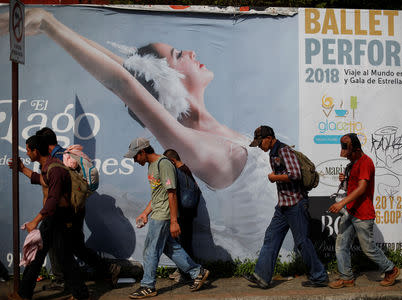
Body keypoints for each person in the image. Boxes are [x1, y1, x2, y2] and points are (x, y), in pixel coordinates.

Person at [0, 8, 280, 259]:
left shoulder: (203, 134)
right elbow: (123, 82)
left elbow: (128, 73)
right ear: (166, 80)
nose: (192, 53)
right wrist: (50, 25)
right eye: (179, 55)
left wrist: (53, 24)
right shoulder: (201, 147)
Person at [244, 125, 329, 289]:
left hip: (296, 204)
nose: (260, 146)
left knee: (303, 241)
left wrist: (275, 177)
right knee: (271, 237)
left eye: (260, 142)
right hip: (283, 205)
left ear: (269, 138)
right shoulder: (273, 153)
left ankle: (319, 276)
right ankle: (261, 276)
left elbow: (295, 174)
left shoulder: (283, 151)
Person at [36, 127, 121, 288]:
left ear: (45, 145)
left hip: (68, 210)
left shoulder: (59, 159)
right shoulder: (65, 154)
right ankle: (107, 269)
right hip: (75, 208)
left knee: (62, 244)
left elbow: (59, 189)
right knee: (74, 245)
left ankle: (63, 280)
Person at [125, 137, 209, 298]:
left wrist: (174, 221)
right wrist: (145, 212)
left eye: (135, 156)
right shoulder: (152, 166)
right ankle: (197, 272)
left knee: (151, 250)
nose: (134, 161)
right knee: (170, 247)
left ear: (142, 152)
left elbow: (172, 193)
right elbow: (158, 194)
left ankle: (148, 286)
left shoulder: (164, 164)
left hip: (163, 215)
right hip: (158, 212)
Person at [8, 135, 89, 300]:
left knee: (64, 258)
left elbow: (53, 200)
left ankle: (81, 295)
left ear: (36, 151)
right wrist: (22, 168)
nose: (28, 153)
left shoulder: (55, 169)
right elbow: (42, 180)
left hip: (59, 217)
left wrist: (35, 222)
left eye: (28, 150)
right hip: (53, 217)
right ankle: (24, 294)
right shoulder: (48, 167)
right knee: (40, 256)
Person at [327, 133, 399, 288]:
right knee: (341, 245)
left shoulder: (366, 162)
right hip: (351, 211)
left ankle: (391, 269)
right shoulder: (353, 164)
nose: (346, 156)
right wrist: (345, 179)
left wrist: (341, 204)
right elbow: (352, 187)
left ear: (355, 149)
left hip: (363, 214)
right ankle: (347, 278)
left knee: (368, 249)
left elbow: (362, 189)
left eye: (348, 153)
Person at [163, 149, 200, 282]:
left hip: (183, 212)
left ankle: (187, 273)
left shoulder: (179, 171)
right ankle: (184, 270)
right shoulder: (186, 169)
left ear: (172, 161)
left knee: (184, 243)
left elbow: (173, 193)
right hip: (189, 211)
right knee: (185, 242)